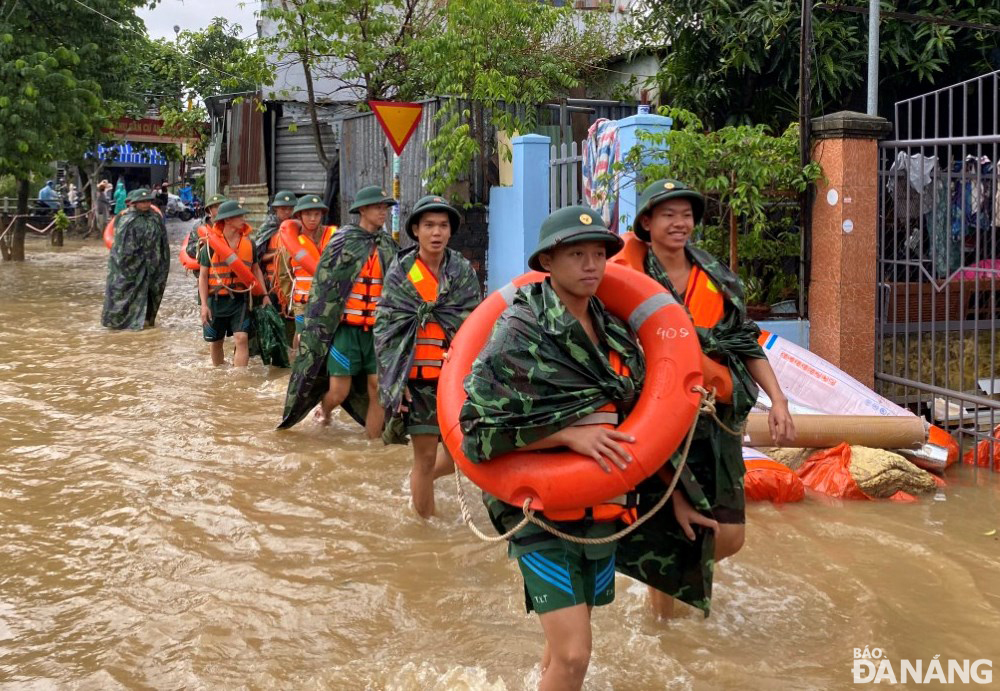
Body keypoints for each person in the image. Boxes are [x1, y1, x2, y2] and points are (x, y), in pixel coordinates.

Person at [459, 206, 702, 690]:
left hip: (601, 512)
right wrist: (568, 434)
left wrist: (679, 496)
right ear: (548, 261)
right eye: (577, 254)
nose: (592, 265)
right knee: (575, 656)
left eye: (598, 254)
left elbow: (645, 424)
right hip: (540, 511)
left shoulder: (617, 331)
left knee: (560, 651)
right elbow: (475, 432)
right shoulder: (519, 331)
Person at [612, 178, 796, 618]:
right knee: (670, 528)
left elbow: (745, 342)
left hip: (717, 421)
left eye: (687, 215)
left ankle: (669, 583)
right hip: (659, 419)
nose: (680, 224)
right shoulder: (625, 279)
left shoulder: (716, 276)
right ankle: (664, 626)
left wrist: (780, 401)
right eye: (669, 215)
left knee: (730, 535)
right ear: (646, 222)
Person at [374, 195, 481, 517]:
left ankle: (417, 485)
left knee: (460, 456)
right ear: (416, 230)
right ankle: (425, 531)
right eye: (429, 225)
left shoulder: (461, 271)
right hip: (418, 384)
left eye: (443, 226)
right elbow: (386, 328)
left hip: (454, 382)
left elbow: (475, 324)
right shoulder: (402, 272)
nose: (437, 232)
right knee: (423, 459)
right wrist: (396, 379)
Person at [278, 186, 399, 438]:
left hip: (375, 333)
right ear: (363, 210)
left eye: (385, 207)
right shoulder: (343, 241)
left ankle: (372, 445)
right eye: (378, 206)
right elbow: (323, 287)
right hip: (345, 331)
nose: (383, 212)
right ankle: (325, 407)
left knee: (377, 387)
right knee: (339, 391)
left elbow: (398, 290)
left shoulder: (389, 246)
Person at [198, 200, 271, 367]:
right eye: (239, 216)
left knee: (241, 338)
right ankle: (219, 376)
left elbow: (256, 270)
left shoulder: (249, 243)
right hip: (216, 300)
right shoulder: (210, 245)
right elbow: (202, 276)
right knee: (216, 341)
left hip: (240, 299)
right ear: (228, 220)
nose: (243, 219)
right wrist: (203, 305)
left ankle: (239, 380)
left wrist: (265, 295)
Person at [101, 188, 170, 330]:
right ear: (135, 203)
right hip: (131, 267)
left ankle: (146, 321)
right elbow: (120, 247)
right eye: (142, 201)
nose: (146, 204)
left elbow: (163, 241)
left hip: (152, 265)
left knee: (151, 293)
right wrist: (131, 262)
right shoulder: (126, 218)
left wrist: (161, 262)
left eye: (148, 201)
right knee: (125, 294)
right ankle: (122, 324)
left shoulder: (155, 217)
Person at [251, 190, 297, 326]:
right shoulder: (268, 228)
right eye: (283, 209)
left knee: (292, 322)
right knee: (274, 322)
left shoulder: (298, 228)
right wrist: (277, 254)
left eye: (290, 209)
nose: (287, 212)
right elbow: (257, 259)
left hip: (294, 283)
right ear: (276, 208)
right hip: (272, 284)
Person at [183, 193, 227, 270]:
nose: (220, 209)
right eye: (216, 207)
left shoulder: (230, 225)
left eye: (222, 206)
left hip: (225, 269)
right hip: (205, 271)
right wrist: (203, 244)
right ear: (209, 210)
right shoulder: (199, 227)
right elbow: (190, 250)